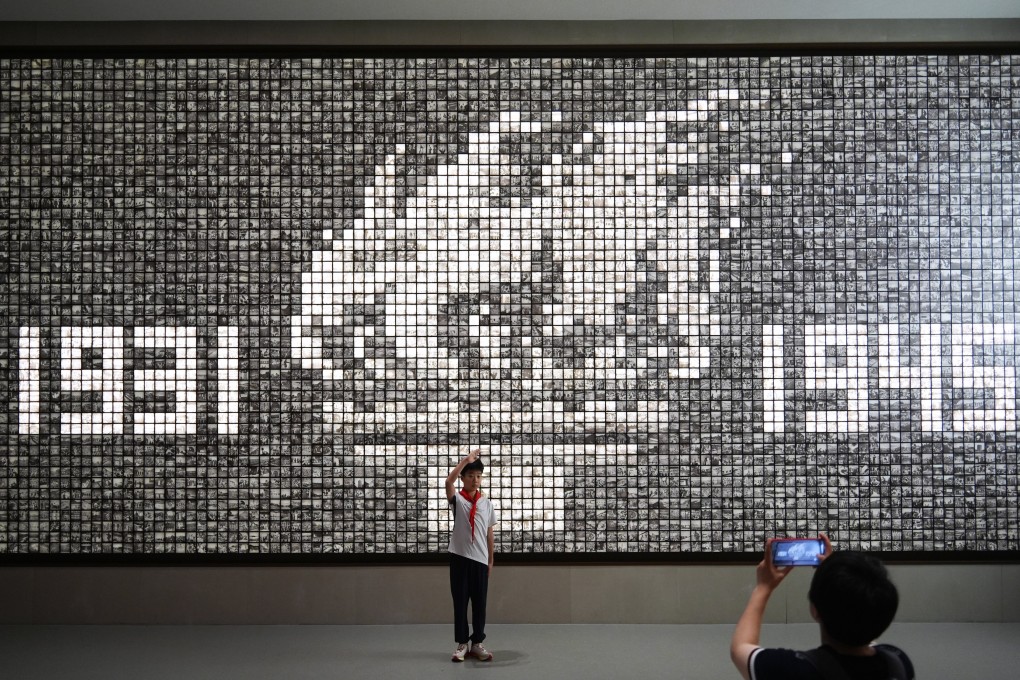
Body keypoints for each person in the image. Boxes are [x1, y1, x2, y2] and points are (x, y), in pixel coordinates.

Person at [730, 535, 914, 680]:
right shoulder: (898, 663)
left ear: (814, 610)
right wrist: (836, 575)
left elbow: (741, 647)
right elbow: (863, 617)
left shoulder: (790, 670)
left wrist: (763, 587)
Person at [445, 449, 497, 662]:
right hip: (459, 558)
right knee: (460, 603)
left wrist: (491, 560)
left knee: (480, 604)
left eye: (478, 476)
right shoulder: (458, 500)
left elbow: (489, 531)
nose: (475, 480)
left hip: (480, 560)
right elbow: (448, 482)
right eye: (470, 476)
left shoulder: (486, 503)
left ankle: (477, 643)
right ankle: (461, 644)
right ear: (463, 478)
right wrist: (465, 460)